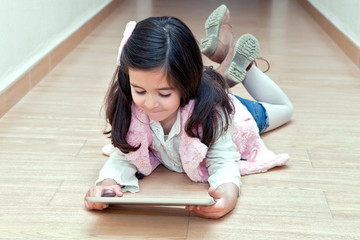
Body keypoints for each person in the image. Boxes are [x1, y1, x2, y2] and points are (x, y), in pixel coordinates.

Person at [84, 5, 292, 219]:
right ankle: (221, 72)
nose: (150, 103)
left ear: (187, 84)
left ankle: (246, 68)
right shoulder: (130, 107)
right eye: (140, 90)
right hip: (206, 92)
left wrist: (228, 193)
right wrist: (107, 185)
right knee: (205, 88)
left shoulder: (214, 114)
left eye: (164, 93)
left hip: (232, 113)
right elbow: (124, 156)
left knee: (285, 109)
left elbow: (223, 158)